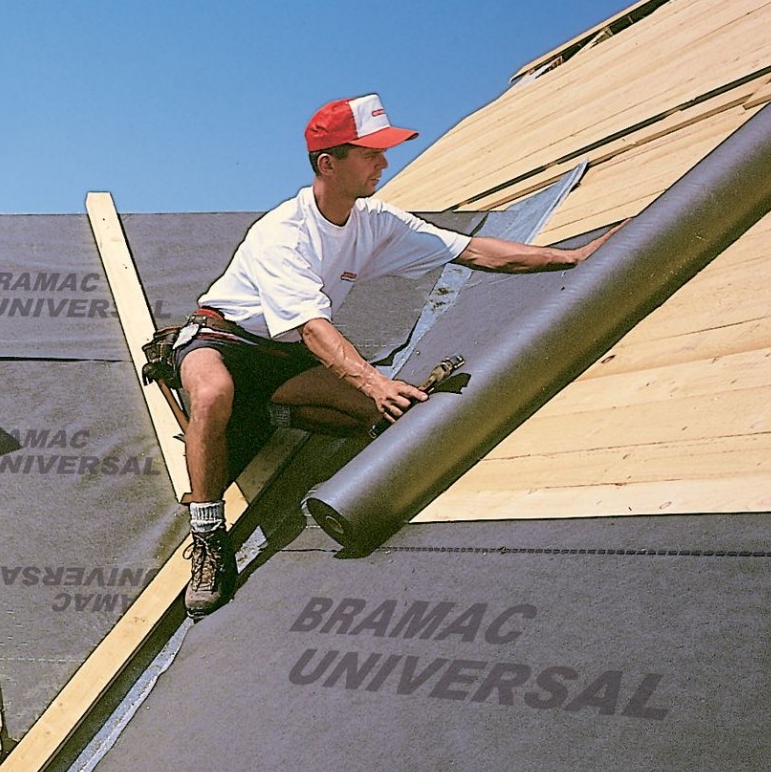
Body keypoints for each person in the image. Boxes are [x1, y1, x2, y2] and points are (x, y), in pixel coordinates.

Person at [173, 93, 619, 618]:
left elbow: (470, 251)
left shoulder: (375, 221)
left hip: (281, 357)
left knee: (375, 417)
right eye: (371, 153)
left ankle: (265, 412)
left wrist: (568, 257)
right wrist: (374, 380)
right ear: (328, 163)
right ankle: (208, 538)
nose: (385, 163)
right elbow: (314, 330)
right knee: (212, 396)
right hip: (222, 342)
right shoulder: (282, 235)